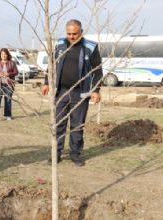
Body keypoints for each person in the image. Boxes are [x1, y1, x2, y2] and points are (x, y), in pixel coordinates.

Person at [40, 19, 102, 167]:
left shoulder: (90, 47)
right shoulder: (60, 45)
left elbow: (98, 71)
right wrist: (46, 82)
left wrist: (96, 90)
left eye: (75, 34)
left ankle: (75, 154)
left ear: (81, 31)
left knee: (77, 125)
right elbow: (52, 65)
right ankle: (57, 153)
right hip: (61, 91)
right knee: (59, 124)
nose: (72, 37)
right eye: (69, 33)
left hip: (80, 94)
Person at [0, 48, 19, 121]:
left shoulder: (12, 63)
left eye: (5, 54)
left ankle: (8, 115)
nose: (3, 55)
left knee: (8, 100)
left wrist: (9, 74)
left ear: (7, 54)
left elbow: (16, 72)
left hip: (9, 84)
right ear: (0, 55)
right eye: (2, 54)